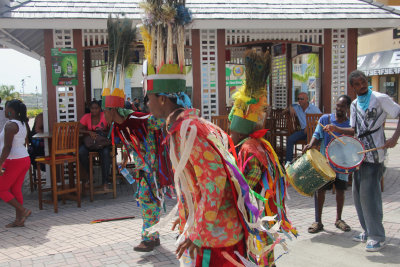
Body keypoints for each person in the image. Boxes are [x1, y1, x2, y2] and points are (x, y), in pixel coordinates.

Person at [229, 49, 296, 266]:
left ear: (240, 132)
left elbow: (251, 180)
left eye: (232, 131)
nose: (230, 134)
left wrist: (233, 192)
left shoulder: (249, 149)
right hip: (263, 211)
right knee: (263, 250)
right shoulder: (258, 144)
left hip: (258, 210)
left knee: (259, 247)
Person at [325, 70, 400, 252]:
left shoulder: (379, 98)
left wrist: (394, 138)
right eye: (357, 84)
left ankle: (377, 236)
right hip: (358, 154)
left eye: (364, 81)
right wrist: (336, 129)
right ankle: (367, 231)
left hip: (374, 155)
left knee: (370, 196)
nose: (362, 85)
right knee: (358, 196)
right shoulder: (355, 105)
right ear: (353, 87)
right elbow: (354, 131)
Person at [303, 95, 352, 234]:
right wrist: (311, 145)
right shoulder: (325, 119)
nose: (339, 108)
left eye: (342, 106)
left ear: (347, 108)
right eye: (337, 105)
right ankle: (318, 221)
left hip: (342, 163)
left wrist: (337, 129)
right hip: (326, 162)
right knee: (320, 190)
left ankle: (339, 219)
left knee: (341, 190)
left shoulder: (349, 124)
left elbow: (353, 136)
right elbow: (317, 135)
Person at [0, 99, 31, 227]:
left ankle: (23, 211)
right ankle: (19, 220)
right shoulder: (22, 123)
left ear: (11, 111)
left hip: (14, 160)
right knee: (15, 188)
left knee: (1, 189)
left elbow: (7, 147)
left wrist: (0, 163)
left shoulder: (10, 125)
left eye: (6, 108)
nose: (4, 110)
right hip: (24, 158)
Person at [79, 100, 111, 191]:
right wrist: (88, 132)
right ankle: (90, 173)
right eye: (92, 108)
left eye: (96, 108)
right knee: (81, 153)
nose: (94, 110)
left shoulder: (104, 116)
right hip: (90, 144)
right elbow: (78, 129)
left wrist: (103, 133)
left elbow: (111, 128)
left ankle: (105, 182)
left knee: (105, 154)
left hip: (101, 143)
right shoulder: (86, 117)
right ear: (90, 109)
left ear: (100, 109)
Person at [285, 92, 321, 163]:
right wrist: (290, 107)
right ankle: (288, 163)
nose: (300, 100)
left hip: (312, 131)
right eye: (298, 99)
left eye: (302, 99)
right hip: (303, 132)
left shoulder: (314, 109)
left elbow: (321, 120)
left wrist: (309, 127)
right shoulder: (297, 107)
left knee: (310, 142)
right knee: (290, 139)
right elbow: (283, 111)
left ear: (307, 99)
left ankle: (309, 162)